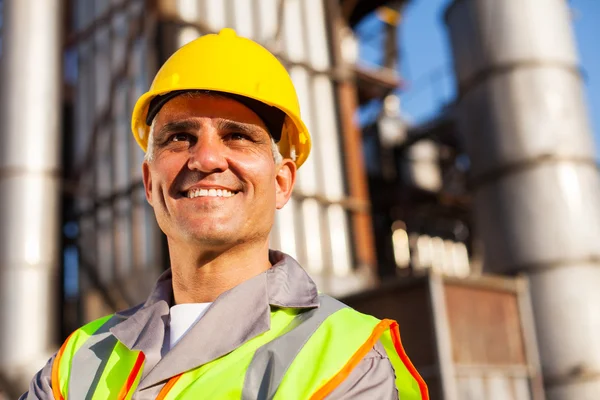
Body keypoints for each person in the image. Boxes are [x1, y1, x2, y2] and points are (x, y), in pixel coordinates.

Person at [22, 28, 428, 399]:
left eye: (237, 136)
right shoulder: (76, 360)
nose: (207, 158)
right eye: (180, 137)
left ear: (282, 183)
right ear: (150, 183)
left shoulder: (345, 359)